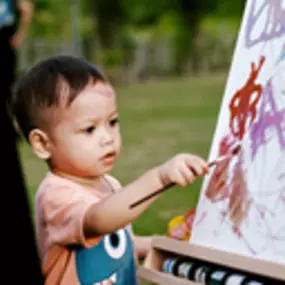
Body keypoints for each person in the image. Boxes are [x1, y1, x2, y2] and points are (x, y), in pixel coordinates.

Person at [11, 55, 209, 285]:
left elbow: (121, 243)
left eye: (112, 122)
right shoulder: (55, 195)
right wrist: (159, 178)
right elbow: (99, 220)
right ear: (43, 144)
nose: (107, 138)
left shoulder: (110, 184)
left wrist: (164, 244)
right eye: (89, 129)